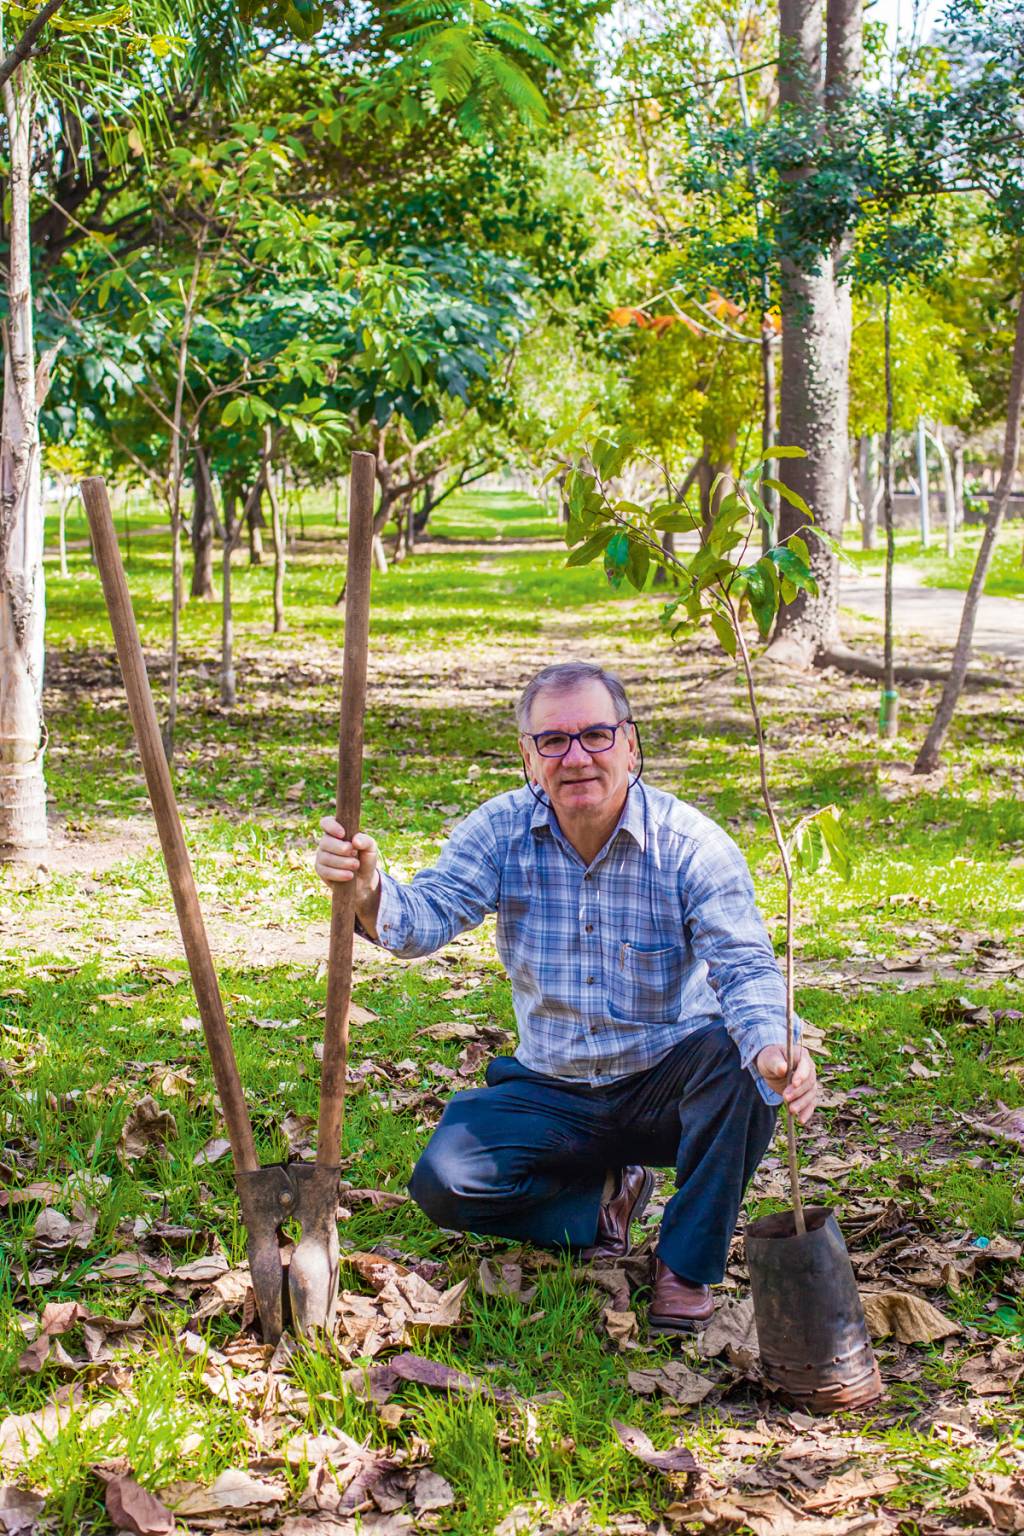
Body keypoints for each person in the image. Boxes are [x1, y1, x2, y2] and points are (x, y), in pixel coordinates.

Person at [314, 660, 817, 1332]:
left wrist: (773, 1043)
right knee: (444, 1182)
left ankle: (684, 1264)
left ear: (630, 745)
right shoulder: (500, 831)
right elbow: (427, 915)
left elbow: (744, 963)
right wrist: (368, 888)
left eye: (596, 735)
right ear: (529, 757)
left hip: (665, 1085)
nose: (576, 757)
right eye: (553, 741)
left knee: (741, 1060)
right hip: (553, 1087)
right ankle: (602, 1204)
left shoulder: (692, 845)